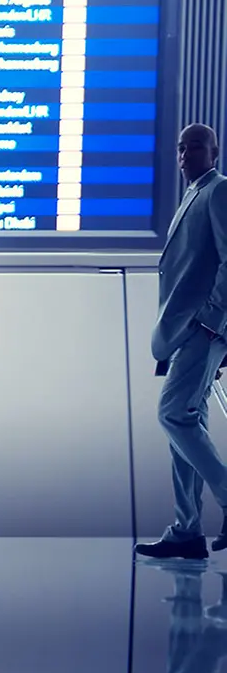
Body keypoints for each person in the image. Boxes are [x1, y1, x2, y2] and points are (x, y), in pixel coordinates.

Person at [136, 123, 227, 561]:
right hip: (183, 331)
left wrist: (212, 323)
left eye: (196, 147)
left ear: (214, 153)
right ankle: (187, 531)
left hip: (201, 329)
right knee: (187, 425)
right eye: (181, 148)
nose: (186, 155)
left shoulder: (219, 190)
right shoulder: (193, 194)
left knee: (173, 414)